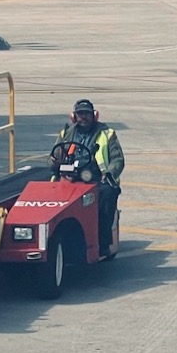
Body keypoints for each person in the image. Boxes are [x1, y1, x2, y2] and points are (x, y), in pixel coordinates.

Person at [54, 98, 124, 257]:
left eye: (86, 114)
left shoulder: (107, 134)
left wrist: (109, 174)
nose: (83, 117)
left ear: (95, 116)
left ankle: (103, 242)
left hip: (98, 178)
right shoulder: (65, 134)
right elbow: (54, 155)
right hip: (71, 176)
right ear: (73, 117)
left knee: (106, 195)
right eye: (80, 114)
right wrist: (55, 162)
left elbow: (118, 160)